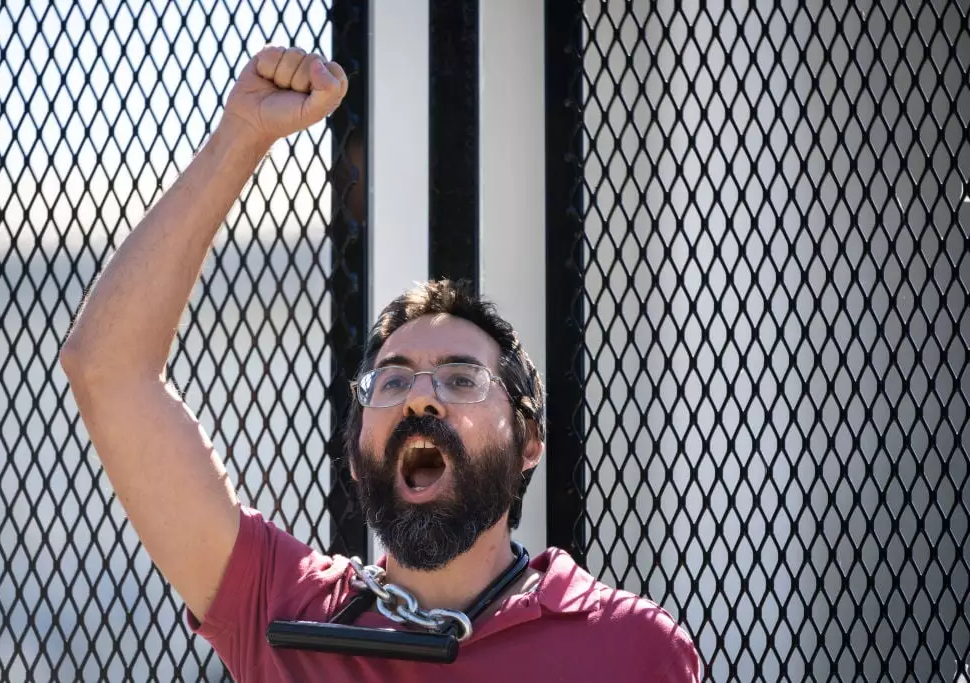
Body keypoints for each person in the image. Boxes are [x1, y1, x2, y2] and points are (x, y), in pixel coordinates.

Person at [60, 46, 701, 682]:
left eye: (461, 378)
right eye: (391, 382)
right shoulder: (285, 611)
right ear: (358, 457)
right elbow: (107, 369)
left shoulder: (632, 647)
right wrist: (242, 136)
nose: (421, 400)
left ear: (529, 440)